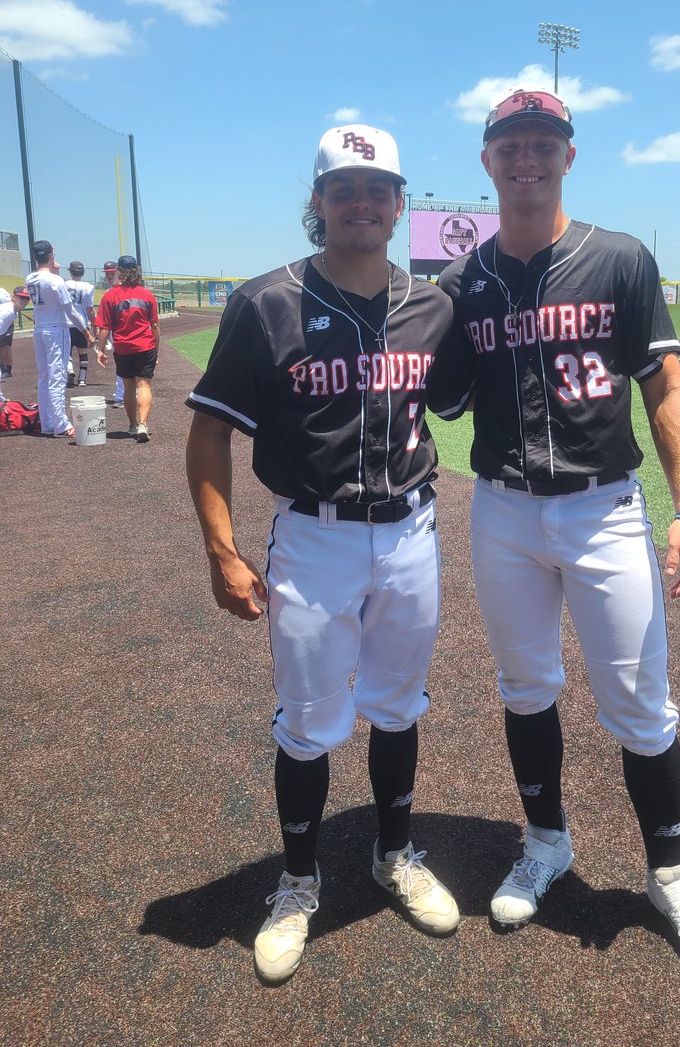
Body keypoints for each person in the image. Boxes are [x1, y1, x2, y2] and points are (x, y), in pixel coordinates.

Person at [427, 89, 680, 984]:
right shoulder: (461, 285)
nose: (527, 157)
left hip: (606, 510)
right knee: (525, 684)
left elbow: (666, 387)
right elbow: (436, 393)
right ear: (487, 162)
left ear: (569, 155)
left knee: (642, 703)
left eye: (544, 143)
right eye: (510, 145)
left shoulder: (618, 258)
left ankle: (671, 877)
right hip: (504, 509)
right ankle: (545, 843)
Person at [185, 124, 458, 986]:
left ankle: (396, 854)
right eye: (345, 188)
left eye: (378, 188)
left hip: (411, 531)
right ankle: (298, 883)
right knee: (307, 724)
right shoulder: (266, 302)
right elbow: (207, 435)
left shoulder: (433, 307)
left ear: (400, 202)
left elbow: (458, 397)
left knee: (399, 705)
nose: (363, 202)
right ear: (318, 203)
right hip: (313, 538)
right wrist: (224, 554)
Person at [95, 255, 159, 442]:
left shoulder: (110, 296)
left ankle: (132, 425)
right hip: (145, 346)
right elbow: (154, 326)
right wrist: (157, 350)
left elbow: (105, 327)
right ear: (137, 272)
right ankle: (143, 425)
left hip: (123, 347)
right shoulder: (147, 295)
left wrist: (100, 350)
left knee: (129, 386)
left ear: (119, 272)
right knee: (144, 384)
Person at [25, 240, 78, 438]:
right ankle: (61, 425)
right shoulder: (56, 281)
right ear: (51, 256)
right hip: (56, 330)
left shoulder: (30, 277)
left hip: (40, 329)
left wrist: (54, 272)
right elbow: (68, 308)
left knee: (45, 377)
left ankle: (47, 422)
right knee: (57, 378)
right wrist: (86, 330)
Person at [64, 260, 96, 387]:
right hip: (82, 324)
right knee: (83, 352)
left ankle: (70, 370)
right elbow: (90, 309)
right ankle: (82, 379)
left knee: (67, 352)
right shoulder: (88, 287)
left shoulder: (64, 284)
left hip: (66, 323)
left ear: (71, 272)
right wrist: (94, 325)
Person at [101, 261, 125, 408]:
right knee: (121, 364)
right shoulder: (108, 293)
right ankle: (123, 394)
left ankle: (123, 395)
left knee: (125, 364)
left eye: (112, 272)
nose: (109, 275)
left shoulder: (125, 290)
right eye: (107, 272)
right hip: (115, 334)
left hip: (125, 334)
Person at [0, 287, 31, 400]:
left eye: (27, 298)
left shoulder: (13, 312)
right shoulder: (7, 312)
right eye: (21, 297)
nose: (25, 301)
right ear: (13, 297)